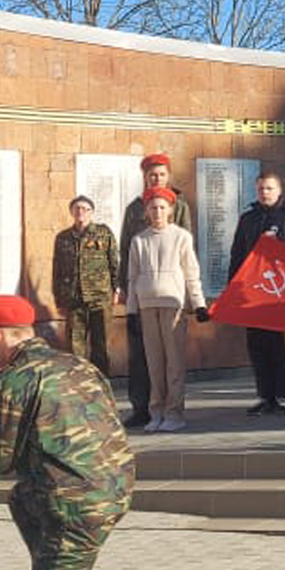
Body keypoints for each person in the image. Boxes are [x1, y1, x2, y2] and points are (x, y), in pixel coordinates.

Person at [0, 294, 186, 570]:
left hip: (72, 505)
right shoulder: (77, 364)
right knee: (22, 498)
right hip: (114, 489)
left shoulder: (14, 379)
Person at [117, 154, 194, 429]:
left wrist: (189, 295)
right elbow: (126, 249)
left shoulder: (179, 205)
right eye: (151, 174)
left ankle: (172, 411)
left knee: (171, 357)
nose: (156, 178)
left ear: (168, 176)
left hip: (170, 293)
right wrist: (124, 288)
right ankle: (143, 407)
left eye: (161, 174)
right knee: (142, 355)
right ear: (144, 177)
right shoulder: (133, 209)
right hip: (142, 293)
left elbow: (185, 252)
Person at [124, 187, 208, 432]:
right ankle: (156, 412)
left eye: (162, 207)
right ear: (146, 212)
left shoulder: (181, 236)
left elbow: (191, 273)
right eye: (153, 207)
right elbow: (132, 277)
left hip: (173, 305)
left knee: (174, 363)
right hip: (147, 306)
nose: (158, 212)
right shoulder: (139, 240)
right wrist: (131, 311)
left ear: (171, 210)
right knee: (154, 363)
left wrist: (199, 303)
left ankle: (175, 413)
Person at [227, 173, 285, 416]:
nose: (265, 193)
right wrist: (233, 288)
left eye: (270, 188)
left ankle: (283, 395)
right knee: (258, 346)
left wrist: (279, 246)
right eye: (261, 188)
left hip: (280, 293)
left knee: (281, 346)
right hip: (253, 292)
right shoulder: (248, 219)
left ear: (279, 190)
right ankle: (266, 395)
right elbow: (237, 254)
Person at [52, 196, 120, 375]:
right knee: (75, 347)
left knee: (101, 344)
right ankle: (79, 384)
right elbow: (57, 270)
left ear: (92, 212)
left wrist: (116, 289)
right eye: (76, 209)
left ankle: (100, 384)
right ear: (71, 212)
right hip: (74, 299)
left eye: (84, 209)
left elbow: (114, 262)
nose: (80, 212)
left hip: (100, 297)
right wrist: (58, 299)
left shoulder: (103, 233)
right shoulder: (63, 237)